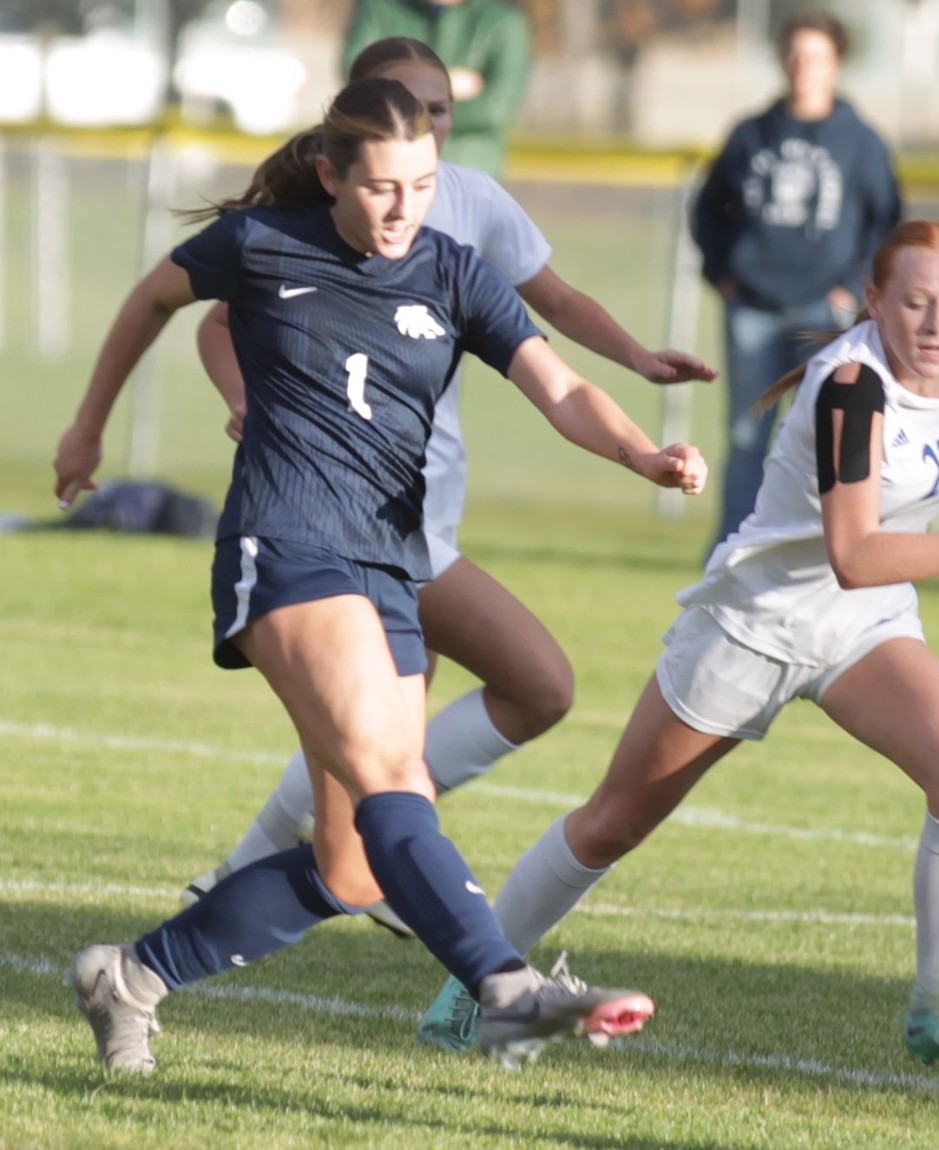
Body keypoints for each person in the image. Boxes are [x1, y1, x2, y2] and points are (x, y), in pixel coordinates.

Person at [54, 76, 708, 1074]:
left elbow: (561, 386)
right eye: (383, 188)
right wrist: (89, 425)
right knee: (394, 776)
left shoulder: (452, 270)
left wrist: (644, 456)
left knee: (350, 866)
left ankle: (130, 976)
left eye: (424, 183)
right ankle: (507, 988)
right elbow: (155, 297)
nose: (406, 208)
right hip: (285, 542)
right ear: (330, 174)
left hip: (388, 562)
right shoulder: (266, 244)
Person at [413, 220, 939, 1067]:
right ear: (875, 302)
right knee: (611, 824)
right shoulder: (852, 384)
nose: (937, 326)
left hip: (866, 630)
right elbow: (855, 555)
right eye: (916, 304)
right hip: (753, 627)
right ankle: (474, 989)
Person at [183, 36, 716, 945]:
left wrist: (635, 368)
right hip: (345, 521)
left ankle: (350, 862)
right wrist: (245, 401)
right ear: (355, 132)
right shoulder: (316, 217)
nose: (427, 127)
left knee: (449, 725)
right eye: (409, 106)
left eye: (439, 113)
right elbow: (212, 323)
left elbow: (553, 312)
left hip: (423, 514)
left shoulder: (468, 206)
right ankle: (435, 908)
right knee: (421, 735)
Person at [690, 9, 902, 555]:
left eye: (816, 57)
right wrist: (724, 273)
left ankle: (819, 548)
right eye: (795, 55)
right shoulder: (752, 133)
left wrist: (857, 289)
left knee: (827, 434)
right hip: (753, 307)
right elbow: (708, 208)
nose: (803, 67)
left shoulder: (860, 140)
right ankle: (734, 548)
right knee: (746, 435)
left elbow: (886, 220)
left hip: (824, 311)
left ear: (836, 65)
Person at [342, 0, 531, 178]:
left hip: (467, 170)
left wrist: (397, 95)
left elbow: (495, 111)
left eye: (439, 108)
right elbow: (356, 77)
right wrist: (445, 85)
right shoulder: (380, 8)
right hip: (390, 168)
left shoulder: (503, 22)